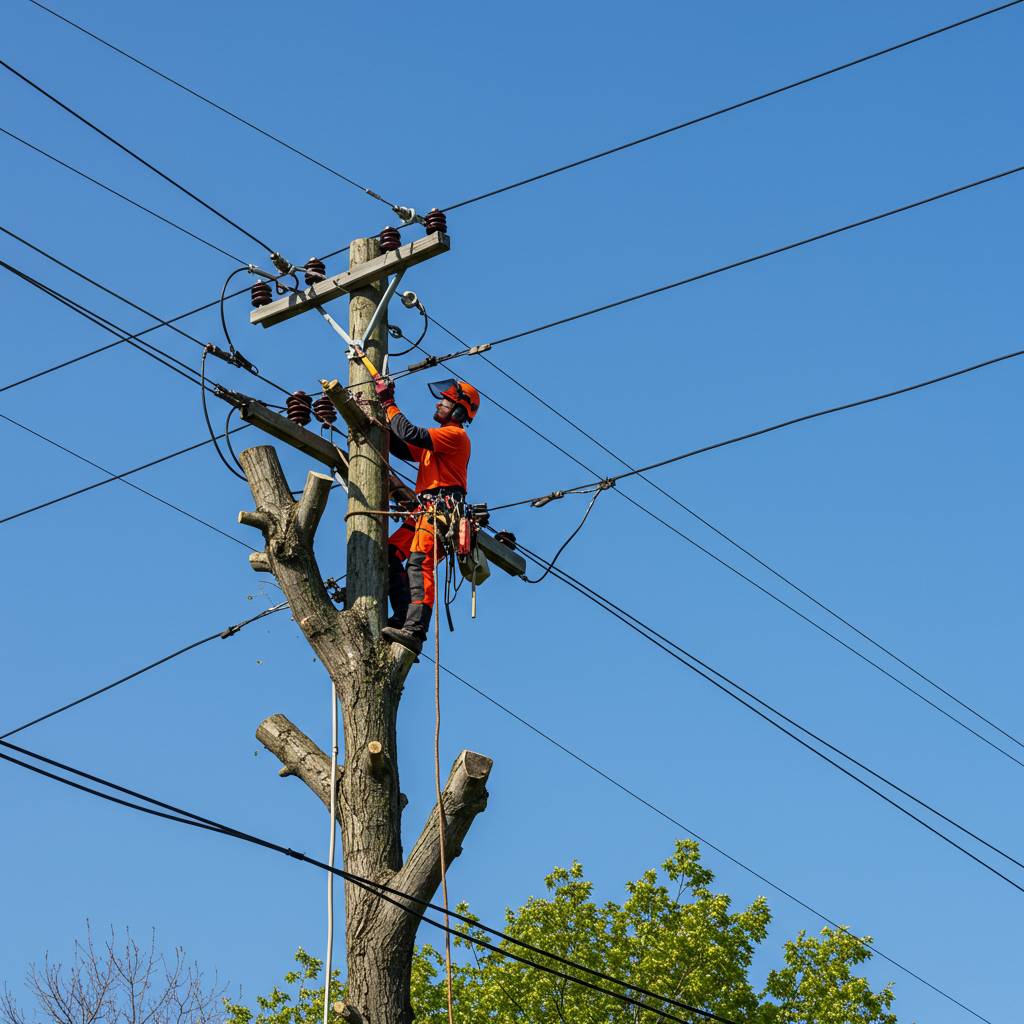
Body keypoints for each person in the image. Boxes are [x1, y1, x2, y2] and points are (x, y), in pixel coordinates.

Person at [374, 376, 481, 654]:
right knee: (388, 554)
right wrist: (376, 416)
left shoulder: (454, 436)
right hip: (425, 512)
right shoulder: (436, 443)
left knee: (419, 564)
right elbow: (400, 444)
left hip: (441, 512)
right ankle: (402, 616)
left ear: (458, 410)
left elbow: (410, 433)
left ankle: (415, 630)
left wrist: (388, 402)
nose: (438, 403)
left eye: (445, 400)